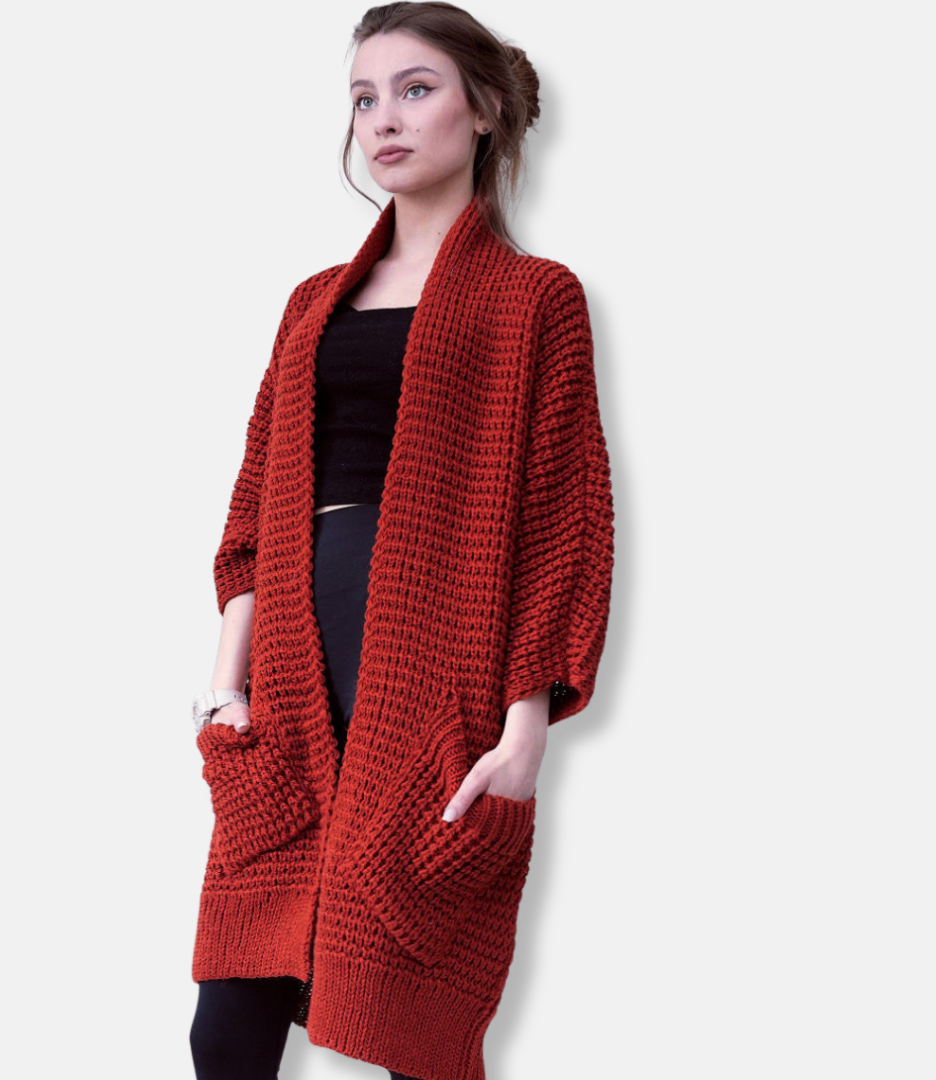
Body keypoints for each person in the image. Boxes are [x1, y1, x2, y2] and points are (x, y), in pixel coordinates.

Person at [189, 5, 615, 1080]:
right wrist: (224, 693)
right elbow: (251, 510)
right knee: (229, 1021)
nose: (383, 118)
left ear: (484, 110)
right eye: (364, 97)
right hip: (291, 678)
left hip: (439, 680)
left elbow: (560, 521)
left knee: (411, 1022)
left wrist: (525, 732)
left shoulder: (535, 299)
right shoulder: (310, 304)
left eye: (416, 90)